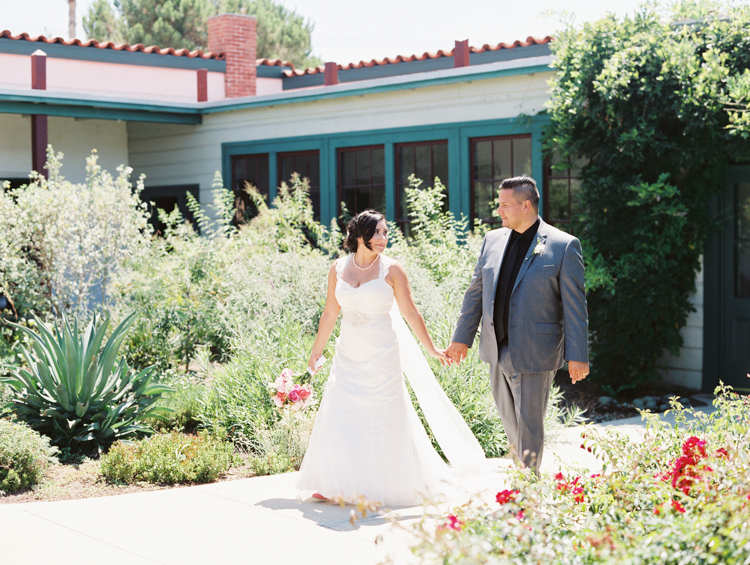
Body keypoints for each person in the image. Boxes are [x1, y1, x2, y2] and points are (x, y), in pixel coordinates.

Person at [296, 209, 485, 506]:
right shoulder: (336, 269)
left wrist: (432, 348)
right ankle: (335, 482)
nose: (384, 238)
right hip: (348, 353)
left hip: (382, 354)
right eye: (378, 233)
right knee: (340, 412)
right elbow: (331, 312)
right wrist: (316, 350)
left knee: (382, 416)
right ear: (360, 236)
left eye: (386, 232)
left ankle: (386, 483)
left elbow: (410, 312)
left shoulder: (392, 270)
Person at [446, 176, 589, 474]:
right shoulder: (492, 240)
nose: (499, 210)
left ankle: (528, 491)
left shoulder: (564, 245)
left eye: (504, 204)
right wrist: (462, 337)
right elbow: (476, 292)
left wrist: (577, 355)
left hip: (536, 351)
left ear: (526, 205)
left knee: (529, 425)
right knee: (511, 424)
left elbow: (575, 305)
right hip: (495, 349)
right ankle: (523, 479)